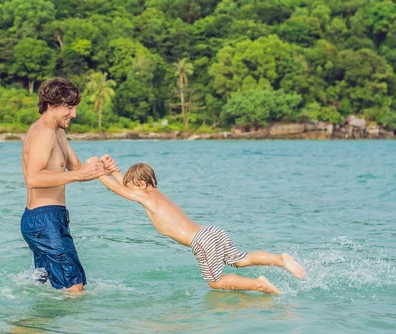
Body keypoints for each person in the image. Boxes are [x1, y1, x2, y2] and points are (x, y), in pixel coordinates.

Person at [98, 157, 305, 294]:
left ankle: (259, 284)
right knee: (240, 260)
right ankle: (280, 259)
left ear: (142, 186)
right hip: (211, 231)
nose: (132, 191)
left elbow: (121, 191)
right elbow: (126, 187)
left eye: (134, 187)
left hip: (201, 240)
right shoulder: (155, 195)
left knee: (215, 282)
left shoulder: (146, 197)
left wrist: (97, 173)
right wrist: (114, 170)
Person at [21, 78, 107, 293]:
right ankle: (75, 327)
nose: (74, 114)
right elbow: (33, 178)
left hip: (51, 218)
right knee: (74, 285)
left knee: (48, 287)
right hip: (44, 219)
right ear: (51, 105)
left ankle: (39, 325)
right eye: (69, 107)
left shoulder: (58, 132)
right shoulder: (44, 133)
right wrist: (79, 175)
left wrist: (100, 167)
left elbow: (76, 168)